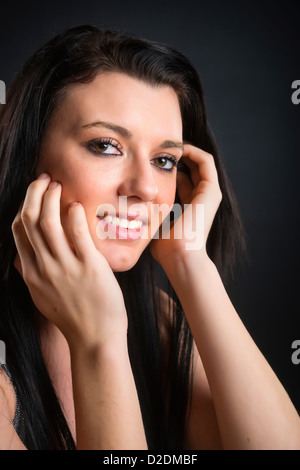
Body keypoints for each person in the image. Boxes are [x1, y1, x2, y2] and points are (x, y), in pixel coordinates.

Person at [0, 25, 299, 451]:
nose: (145, 188)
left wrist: (190, 262)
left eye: (164, 160)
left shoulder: (157, 320)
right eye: (106, 145)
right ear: (28, 157)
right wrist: (98, 343)